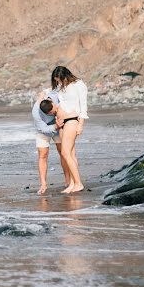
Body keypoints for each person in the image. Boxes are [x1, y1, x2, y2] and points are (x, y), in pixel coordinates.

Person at [51, 66, 88, 194]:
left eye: (60, 80)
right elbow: (61, 104)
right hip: (62, 122)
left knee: (65, 153)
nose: (59, 83)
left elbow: (83, 106)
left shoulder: (79, 84)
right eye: (57, 81)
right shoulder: (61, 87)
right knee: (70, 154)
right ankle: (72, 183)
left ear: (65, 75)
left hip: (72, 120)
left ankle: (79, 183)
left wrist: (80, 125)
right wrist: (57, 119)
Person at [31, 91, 71, 194]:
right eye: (50, 114)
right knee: (42, 155)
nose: (53, 113)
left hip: (58, 127)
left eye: (53, 110)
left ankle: (68, 181)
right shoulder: (36, 112)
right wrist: (55, 126)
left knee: (63, 153)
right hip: (44, 129)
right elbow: (44, 129)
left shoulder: (56, 97)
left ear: (53, 103)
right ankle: (43, 184)